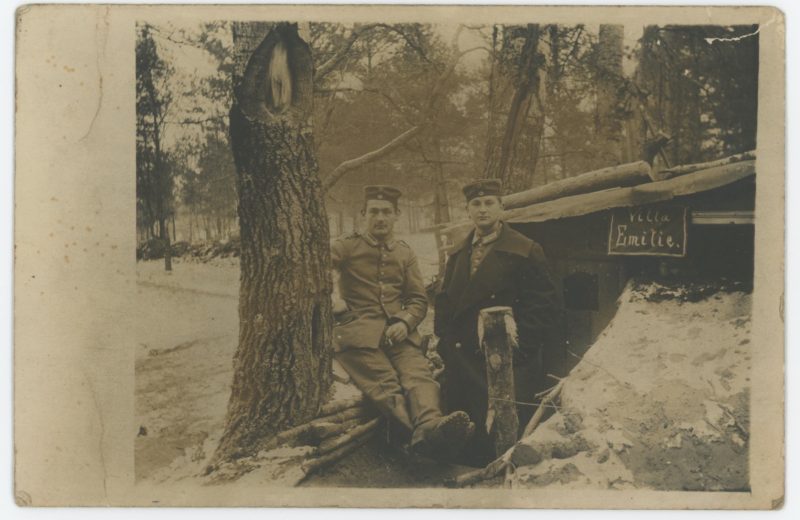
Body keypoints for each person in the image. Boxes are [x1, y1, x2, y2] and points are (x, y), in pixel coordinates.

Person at [331, 185, 475, 457]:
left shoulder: (404, 252)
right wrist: (332, 301)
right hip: (357, 334)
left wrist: (405, 323)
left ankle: (429, 426)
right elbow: (313, 268)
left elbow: (418, 299)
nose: (380, 218)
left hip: (397, 334)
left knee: (420, 376)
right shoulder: (346, 246)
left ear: (397, 215)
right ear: (363, 214)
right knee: (386, 385)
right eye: (374, 211)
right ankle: (420, 439)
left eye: (387, 212)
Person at [434, 179, 562, 466]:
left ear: (502, 208)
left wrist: (519, 350)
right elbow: (444, 301)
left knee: (500, 434)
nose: (483, 210)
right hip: (461, 357)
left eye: (489, 203)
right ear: (468, 211)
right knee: (464, 429)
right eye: (476, 204)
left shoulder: (525, 250)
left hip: (502, 361)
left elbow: (544, 305)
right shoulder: (457, 253)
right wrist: (444, 342)